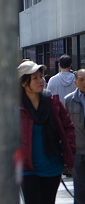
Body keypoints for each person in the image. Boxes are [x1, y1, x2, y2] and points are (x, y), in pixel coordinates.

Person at [18, 60, 76, 204]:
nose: (41, 80)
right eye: (35, 78)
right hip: (27, 168)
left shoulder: (52, 102)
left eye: (41, 76)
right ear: (24, 83)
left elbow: (68, 127)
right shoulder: (15, 107)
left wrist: (69, 150)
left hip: (52, 166)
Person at [64, 69, 85, 204]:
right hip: (78, 150)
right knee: (80, 189)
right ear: (75, 82)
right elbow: (65, 127)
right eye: (81, 80)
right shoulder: (69, 100)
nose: (84, 83)